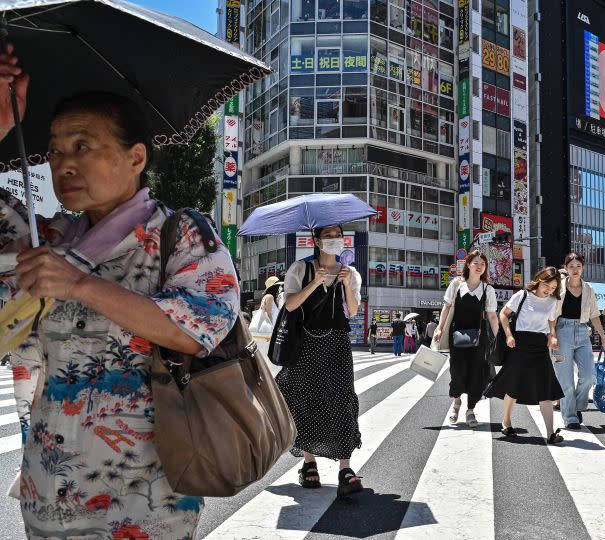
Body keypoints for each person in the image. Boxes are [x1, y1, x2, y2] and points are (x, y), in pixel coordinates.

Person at [0, 84, 240, 535]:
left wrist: (79, 284)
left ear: (136, 159)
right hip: (50, 492)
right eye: (53, 151)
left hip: (147, 499)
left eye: (82, 146)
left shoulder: (181, 232)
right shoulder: (46, 240)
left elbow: (198, 328)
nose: (63, 164)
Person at [276, 225, 365, 496]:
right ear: (316, 241)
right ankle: (309, 462)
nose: (334, 240)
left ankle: (345, 467)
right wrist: (316, 281)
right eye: (328, 236)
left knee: (341, 398)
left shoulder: (350, 273)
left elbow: (352, 310)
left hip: (337, 343)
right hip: (305, 344)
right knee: (305, 398)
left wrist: (347, 284)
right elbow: (289, 305)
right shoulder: (301, 269)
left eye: (338, 235)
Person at [484, 267, 566, 444]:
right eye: (547, 286)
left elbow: (551, 320)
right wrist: (508, 335)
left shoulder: (553, 301)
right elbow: (503, 315)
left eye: (553, 288)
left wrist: (552, 335)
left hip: (540, 346)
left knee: (545, 389)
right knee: (513, 387)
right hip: (519, 344)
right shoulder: (522, 295)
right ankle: (506, 421)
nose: (549, 291)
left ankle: (550, 433)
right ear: (539, 280)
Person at [433, 250, 499, 428]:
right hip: (457, 336)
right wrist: (439, 328)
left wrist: (499, 337)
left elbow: (492, 316)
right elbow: (446, 308)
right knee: (457, 371)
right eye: (476, 263)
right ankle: (456, 403)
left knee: (477, 374)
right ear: (468, 264)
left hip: (479, 338)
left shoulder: (488, 289)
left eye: (483, 264)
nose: (479, 267)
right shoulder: (456, 284)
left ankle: (470, 410)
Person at [552, 253, 605, 430]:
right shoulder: (558, 287)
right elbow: (551, 315)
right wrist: (552, 335)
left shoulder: (589, 289)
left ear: (582, 267)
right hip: (562, 331)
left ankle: (576, 407)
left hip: (583, 332)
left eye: (578, 266)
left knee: (588, 375)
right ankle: (570, 417)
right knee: (565, 379)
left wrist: (603, 335)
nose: (575, 269)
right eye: (571, 266)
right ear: (566, 268)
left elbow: (594, 315)